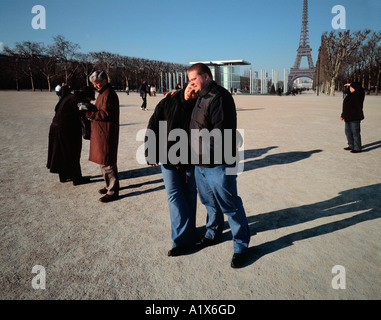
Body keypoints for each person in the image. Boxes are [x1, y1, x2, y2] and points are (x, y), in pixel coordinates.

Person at [187, 63, 250, 268]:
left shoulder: (219, 97)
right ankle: (213, 233)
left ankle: (241, 246)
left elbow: (220, 135)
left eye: (193, 80)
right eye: (189, 81)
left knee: (230, 205)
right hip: (202, 163)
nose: (191, 84)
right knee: (210, 203)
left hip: (218, 163)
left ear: (205, 76)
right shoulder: (202, 96)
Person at [146, 84, 198, 257]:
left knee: (190, 194)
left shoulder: (201, 104)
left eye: (196, 87)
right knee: (175, 196)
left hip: (192, 157)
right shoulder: (167, 102)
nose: (193, 90)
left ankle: (190, 230)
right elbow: (153, 125)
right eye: (191, 86)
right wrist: (150, 152)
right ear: (184, 86)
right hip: (168, 157)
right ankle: (181, 239)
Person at [47, 87, 95, 185]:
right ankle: (77, 178)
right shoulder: (78, 100)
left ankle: (64, 176)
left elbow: (56, 108)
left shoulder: (70, 96)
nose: (90, 100)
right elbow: (86, 110)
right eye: (90, 99)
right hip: (66, 130)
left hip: (56, 127)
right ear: (87, 96)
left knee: (61, 153)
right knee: (74, 152)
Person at [86, 70, 120, 202]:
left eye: (97, 83)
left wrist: (89, 113)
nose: (95, 86)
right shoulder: (103, 93)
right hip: (102, 132)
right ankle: (109, 186)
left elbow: (105, 114)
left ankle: (112, 191)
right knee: (103, 161)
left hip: (106, 132)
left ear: (104, 81)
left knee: (107, 162)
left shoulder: (108, 94)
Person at [341, 82, 365, 153]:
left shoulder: (359, 94)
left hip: (355, 117)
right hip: (347, 117)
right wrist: (342, 115)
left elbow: (359, 87)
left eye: (352, 87)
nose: (350, 88)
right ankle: (351, 145)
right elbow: (345, 107)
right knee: (348, 132)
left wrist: (350, 84)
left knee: (355, 133)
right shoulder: (349, 95)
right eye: (350, 87)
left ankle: (357, 148)